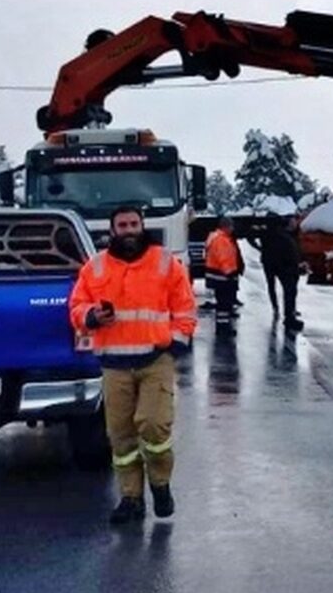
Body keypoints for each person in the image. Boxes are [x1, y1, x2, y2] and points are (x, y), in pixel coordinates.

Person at [69, 205, 197, 524]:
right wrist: (91, 316)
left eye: (134, 224)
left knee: (154, 426)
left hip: (155, 360)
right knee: (121, 436)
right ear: (112, 230)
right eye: (123, 225)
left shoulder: (165, 263)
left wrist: (176, 343)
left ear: (142, 226)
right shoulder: (95, 267)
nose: (129, 230)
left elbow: (185, 307)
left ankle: (160, 485)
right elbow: (77, 306)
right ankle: (131, 498)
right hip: (114, 365)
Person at [252, 217, 304, 331]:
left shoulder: (268, 233)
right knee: (289, 290)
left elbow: (250, 235)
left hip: (273, 263)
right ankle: (288, 314)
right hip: (284, 266)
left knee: (275, 286)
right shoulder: (284, 237)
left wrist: (260, 248)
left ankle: (278, 308)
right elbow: (292, 252)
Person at [204, 217, 244, 335]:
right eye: (231, 226)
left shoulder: (217, 238)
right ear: (226, 227)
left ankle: (222, 326)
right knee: (224, 304)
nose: (233, 229)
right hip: (222, 277)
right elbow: (224, 258)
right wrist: (230, 273)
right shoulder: (221, 240)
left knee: (222, 303)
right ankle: (223, 328)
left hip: (217, 276)